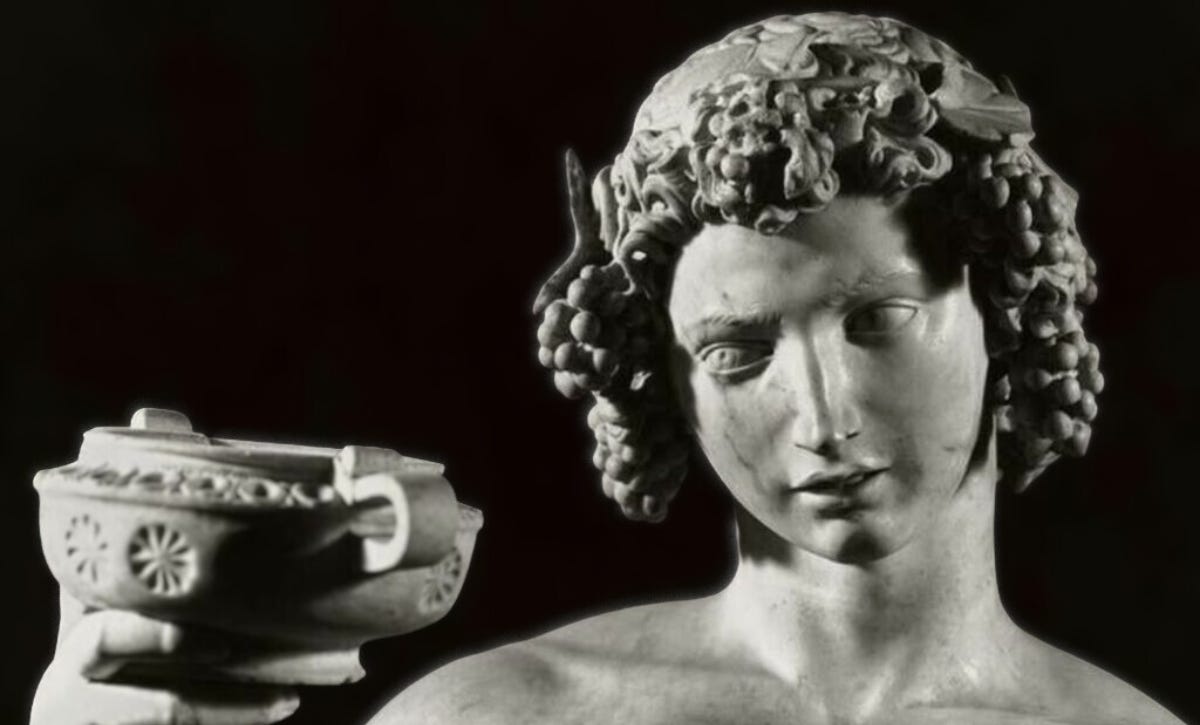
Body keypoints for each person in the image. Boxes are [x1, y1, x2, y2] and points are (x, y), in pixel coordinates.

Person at [29, 12, 1184, 725]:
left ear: (1009, 309)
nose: (822, 416)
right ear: (666, 380)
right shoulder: (499, 719)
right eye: (738, 353)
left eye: (877, 320)